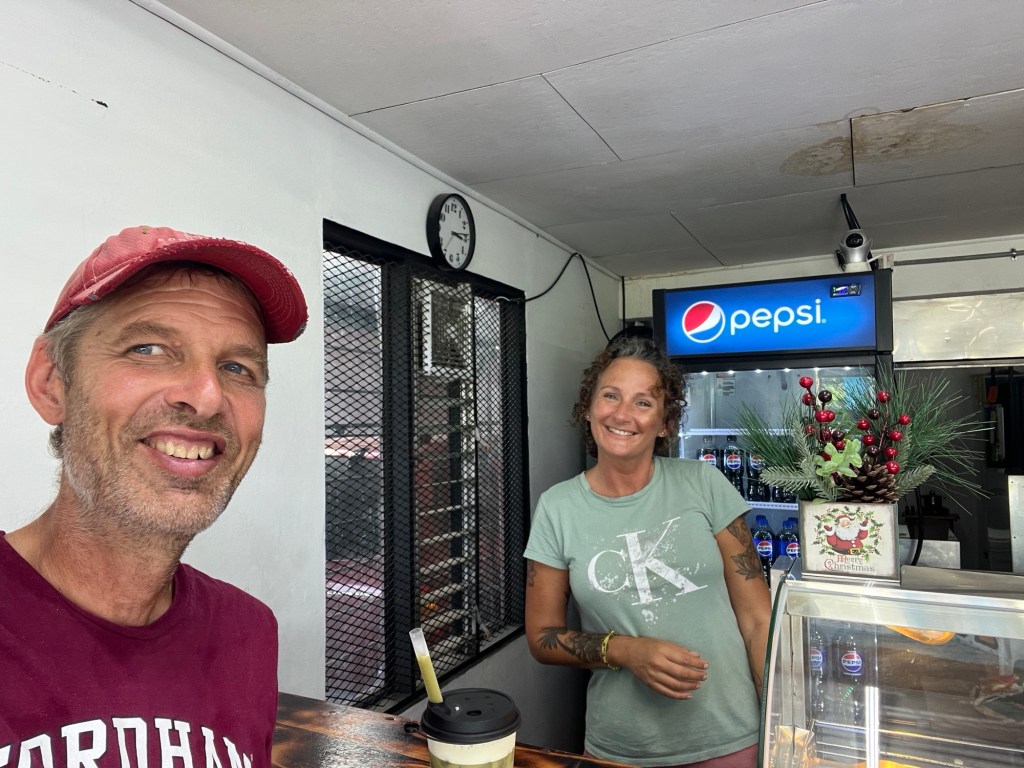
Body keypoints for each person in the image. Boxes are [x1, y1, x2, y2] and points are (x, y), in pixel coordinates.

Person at [0, 225, 308, 765]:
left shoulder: (248, 632)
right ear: (51, 383)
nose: (207, 397)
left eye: (237, 368)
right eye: (148, 348)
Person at [524, 335, 770, 768]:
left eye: (643, 402)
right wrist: (624, 650)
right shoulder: (557, 507)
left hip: (731, 738)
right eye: (610, 396)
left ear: (665, 423)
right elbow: (542, 637)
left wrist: (779, 717)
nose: (622, 414)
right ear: (588, 408)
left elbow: (757, 619)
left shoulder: (705, 484)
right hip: (621, 748)